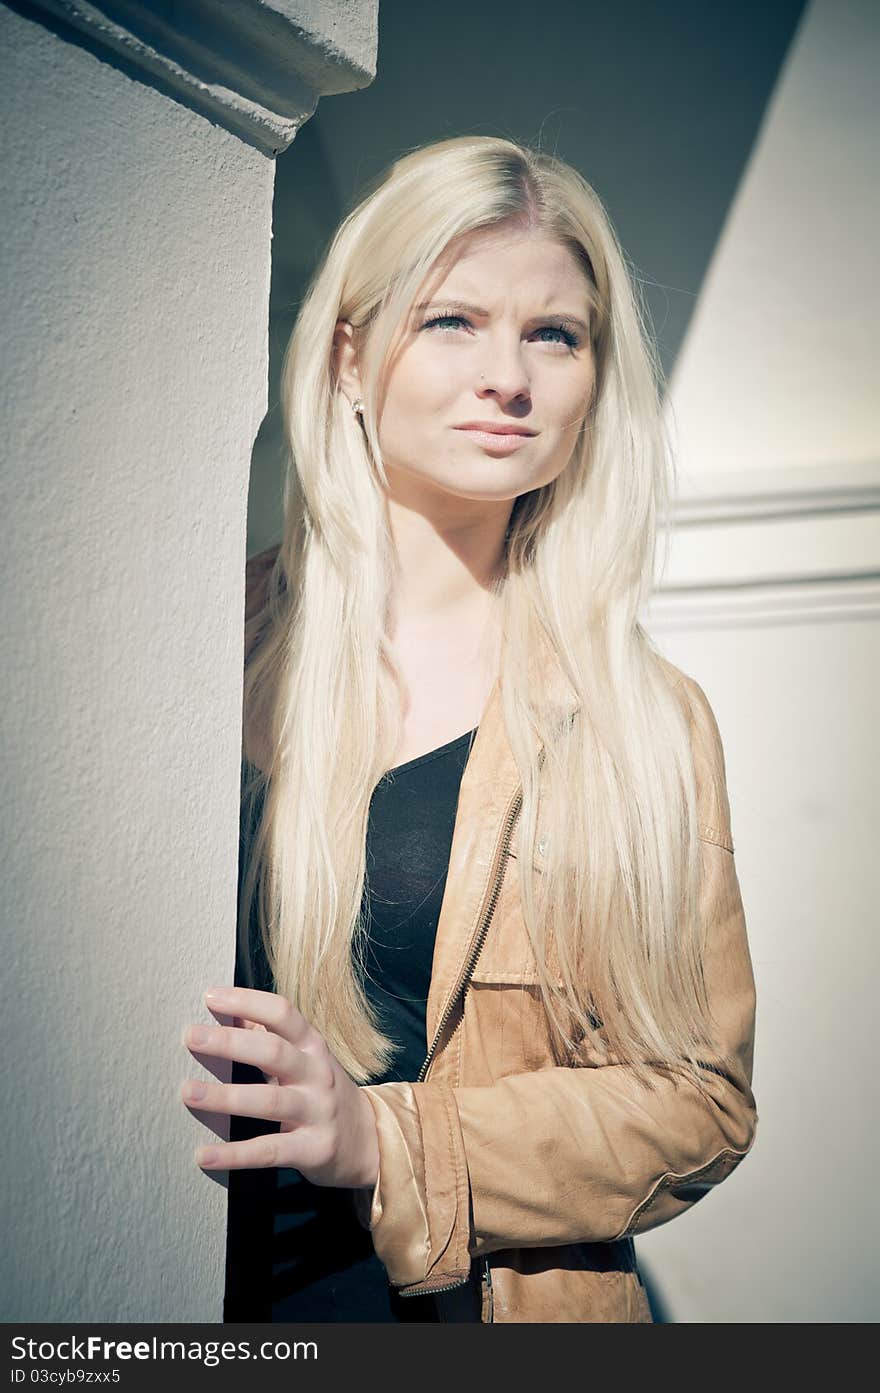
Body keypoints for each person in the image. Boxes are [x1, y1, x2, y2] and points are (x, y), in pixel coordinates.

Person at [180, 135, 758, 1323]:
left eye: (556, 333)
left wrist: (389, 1141)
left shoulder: (643, 723)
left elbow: (702, 1101)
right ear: (350, 357)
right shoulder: (183, 645)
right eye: (452, 320)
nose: (511, 376)